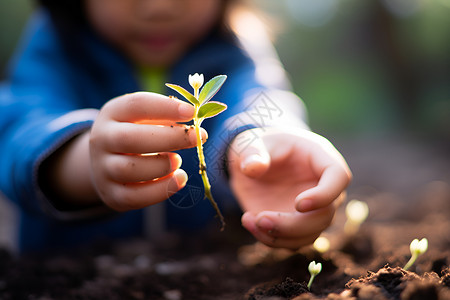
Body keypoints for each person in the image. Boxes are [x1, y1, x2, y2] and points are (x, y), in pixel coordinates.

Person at [0, 0, 352, 253]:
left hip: (213, 265)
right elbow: (19, 128)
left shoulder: (236, 45)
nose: (159, 7)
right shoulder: (55, 46)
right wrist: (79, 161)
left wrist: (261, 142)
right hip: (68, 270)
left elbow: (262, 98)